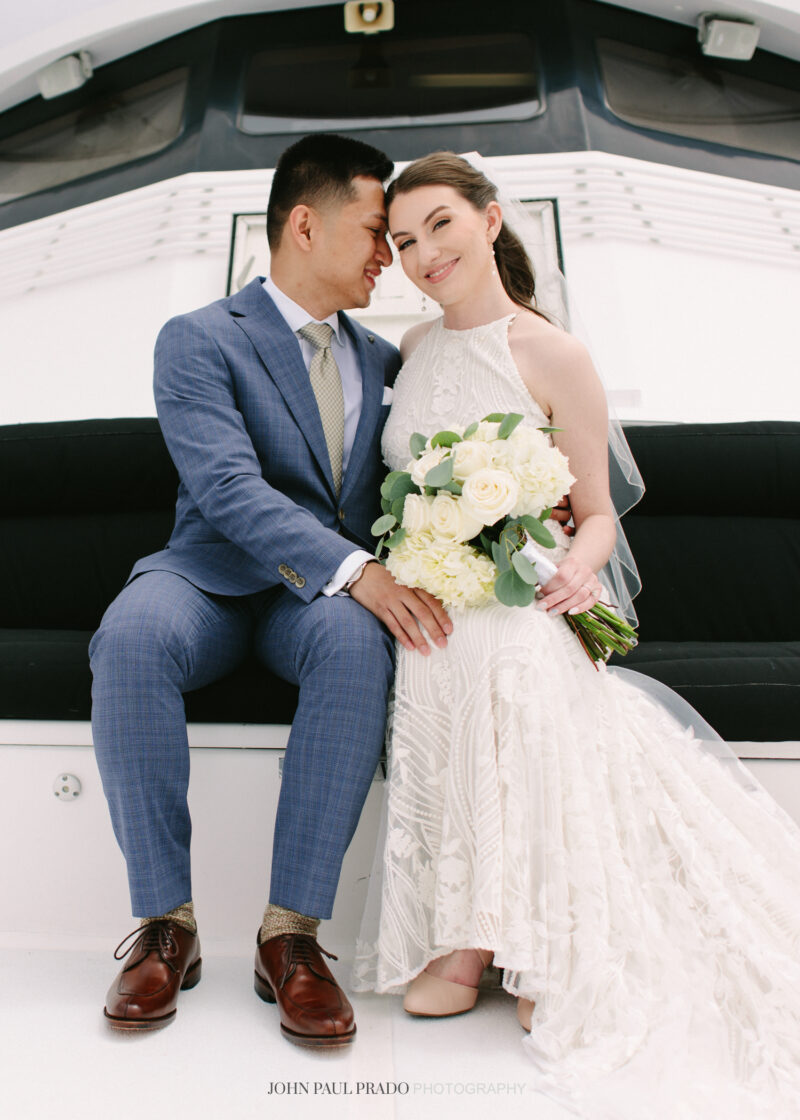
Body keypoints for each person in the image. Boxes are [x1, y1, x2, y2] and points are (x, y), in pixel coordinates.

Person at [352, 152, 800, 1116]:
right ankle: (456, 940)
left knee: (508, 657)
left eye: (439, 225)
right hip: (433, 603)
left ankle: (544, 939)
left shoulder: (553, 353)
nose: (423, 253)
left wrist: (576, 564)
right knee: (436, 662)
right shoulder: (411, 353)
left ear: (490, 218)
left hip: (518, 607)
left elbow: (597, 511)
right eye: (402, 240)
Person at [89, 133, 454, 1045]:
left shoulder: (387, 360)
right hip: (207, 579)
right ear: (304, 222)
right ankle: (163, 925)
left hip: (316, 607)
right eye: (377, 232)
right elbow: (226, 487)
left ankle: (291, 937)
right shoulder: (200, 338)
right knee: (130, 637)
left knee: (356, 643)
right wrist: (356, 571)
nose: (390, 256)